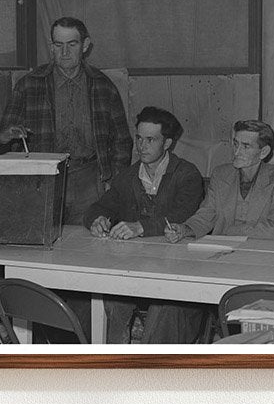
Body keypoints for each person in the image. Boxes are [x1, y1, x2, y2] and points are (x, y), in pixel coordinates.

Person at [84, 106, 204, 343]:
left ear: (168, 143)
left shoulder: (187, 174)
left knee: (164, 307)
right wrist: (96, 220)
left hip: (174, 271)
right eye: (139, 138)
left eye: (151, 140)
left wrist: (140, 227)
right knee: (112, 299)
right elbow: (99, 207)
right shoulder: (128, 176)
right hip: (134, 269)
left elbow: (183, 214)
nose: (142, 146)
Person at [0, 16, 131, 226]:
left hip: (90, 182)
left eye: (72, 44)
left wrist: (114, 181)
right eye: (58, 45)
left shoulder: (103, 86)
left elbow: (122, 140)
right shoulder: (28, 86)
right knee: (42, 245)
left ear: (85, 45)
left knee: (88, 247)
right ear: (52, 46)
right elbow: (5, 140)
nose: (65, 52)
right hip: (43, 181)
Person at [164, 120, 274, 243]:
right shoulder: (220, 174)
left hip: (261, 254)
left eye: (246, 146)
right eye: (236, 144)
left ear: (264, 152)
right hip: (222, 250)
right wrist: (184, 229)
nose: (237, 152)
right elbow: (206, 216)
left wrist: (229, 230)